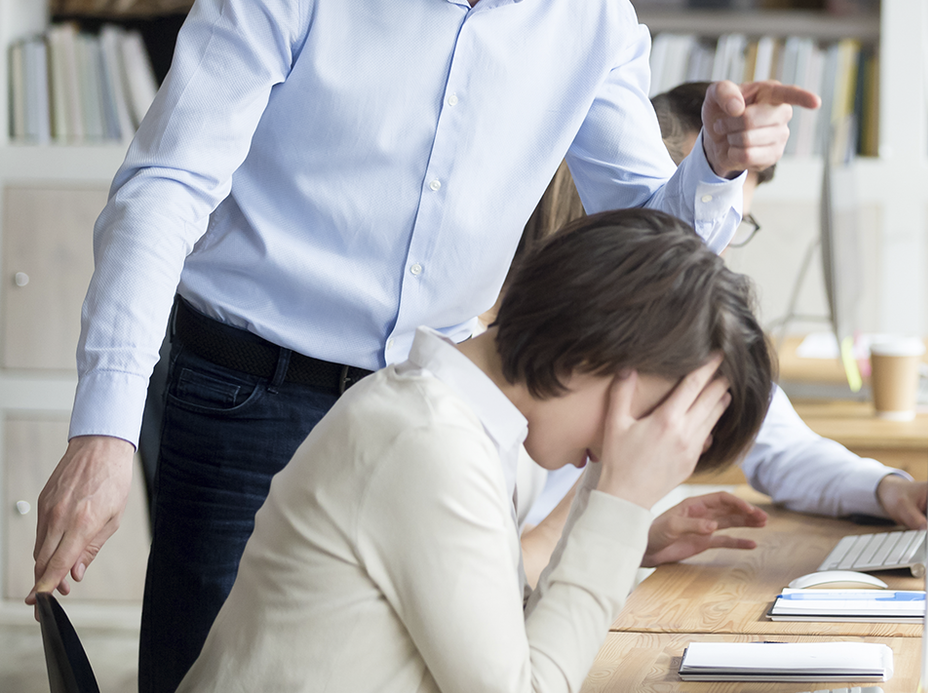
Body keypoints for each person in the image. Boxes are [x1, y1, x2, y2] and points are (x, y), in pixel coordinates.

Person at [29, 0, 816, 693]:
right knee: (221, 673)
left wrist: (715, 170)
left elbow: (650, 253)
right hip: (244, 393)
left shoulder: (594, 19)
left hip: (436, 416)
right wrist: (103, 428)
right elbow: (167, 190)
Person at [177, 209, 774, 693]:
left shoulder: (465, 425)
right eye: (655, 417)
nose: (638, 443)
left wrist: (619, 517)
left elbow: (508, 636)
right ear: (603, 349)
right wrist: (619, 503)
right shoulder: (427, 442)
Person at [517, 79, 928, 542]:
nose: (714, 255)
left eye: (732, 226)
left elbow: (778, 447)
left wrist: (889, 489)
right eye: (706, 222)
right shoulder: (529, 345)